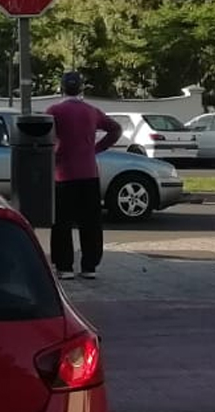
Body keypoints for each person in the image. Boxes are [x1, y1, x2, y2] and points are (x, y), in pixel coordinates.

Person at [45, 72, 122, 280]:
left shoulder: (54, 111)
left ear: (61, 88)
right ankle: (89, 266)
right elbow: (115, 129)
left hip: (63, 174)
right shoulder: (91, 111)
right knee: (90, 221)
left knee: (62, 222)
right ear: (81, 89)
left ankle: (65, 266)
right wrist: (96, 149)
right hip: (89, 172)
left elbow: (45, 137)